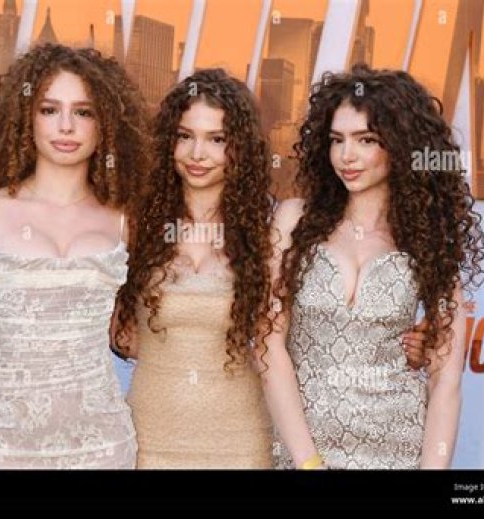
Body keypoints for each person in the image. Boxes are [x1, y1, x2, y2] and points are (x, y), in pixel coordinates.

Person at [113, 69, 428, 468]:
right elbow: (116, 335)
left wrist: (411, 341)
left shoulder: (269, 231)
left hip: (243, 440)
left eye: (217, 139)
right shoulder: (133, 229)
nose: (197, 154)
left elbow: (301, 330)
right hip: (149, 436)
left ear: (240, 148)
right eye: (184, 136)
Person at [0, 44, 151, 469]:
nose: (66, 125)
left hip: (103, 451)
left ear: (106, 124)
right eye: (49, 109)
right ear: (26, 116)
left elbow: (135, 334)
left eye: (83, 112)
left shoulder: (124, 222)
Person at [264, 64, 484, 469]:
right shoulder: (294, 221)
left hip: (397, 449)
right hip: (303, 451)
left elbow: (446, 379)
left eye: (366, 140)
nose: (346, 156)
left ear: (400, 145)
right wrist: (307, 462)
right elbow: (268, 346)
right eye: (337, 140)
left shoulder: (428, 239)